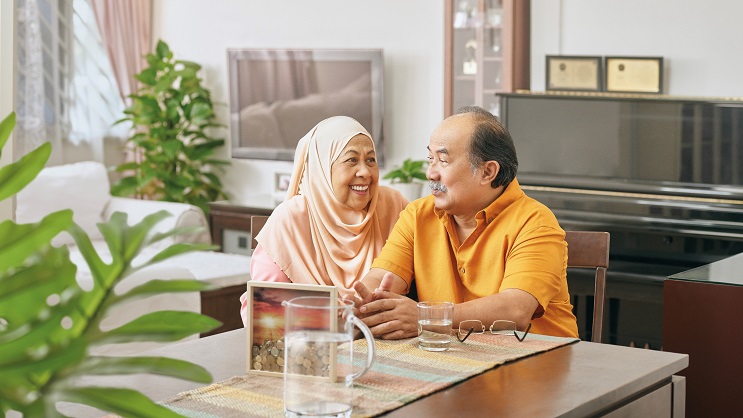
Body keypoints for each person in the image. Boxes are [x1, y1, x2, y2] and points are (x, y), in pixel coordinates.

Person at [347, 106, 579, 339]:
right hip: (453, 357)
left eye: (443, 161)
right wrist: (362, 302)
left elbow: (515, 309)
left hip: (538, 364)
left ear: (487, 172)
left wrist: (426, 316)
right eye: (431, 159)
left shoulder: (535, 222)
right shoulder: (417, 215)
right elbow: (384, 276)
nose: (430, 173)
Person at [239, 116, 408, 326]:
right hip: (311, 348)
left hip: (387, 343)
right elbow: (262, 311)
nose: (365, 172)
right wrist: (328, 319)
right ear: (322, 167)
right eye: (352, 160)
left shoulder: (393, 205)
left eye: (371, 160)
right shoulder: (290, 219)